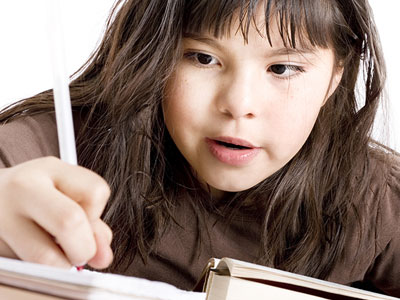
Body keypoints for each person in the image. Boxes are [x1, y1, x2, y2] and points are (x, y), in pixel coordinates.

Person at [0, 0, 399, 296]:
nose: (239, 104)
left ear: (335, 77)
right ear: (156, 56)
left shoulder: (378, 202)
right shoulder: (50, 150)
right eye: (203, 58)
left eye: (282, 68)